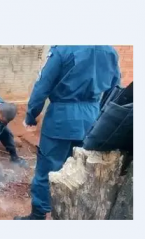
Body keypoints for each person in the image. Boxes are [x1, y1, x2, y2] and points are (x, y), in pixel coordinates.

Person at [15, 46, 121, 220]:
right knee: (82, 170)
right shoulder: (109, 50)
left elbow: (42, 85)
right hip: (92, 119)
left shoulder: (63, 49)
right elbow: (115, 88)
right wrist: (100, 115)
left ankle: (38, 215)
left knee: (47, 170)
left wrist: (31, 116)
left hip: (61, 119)